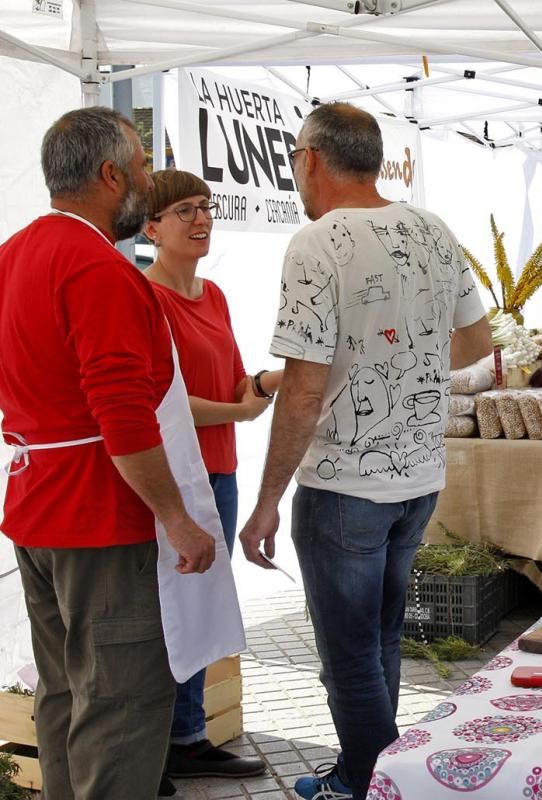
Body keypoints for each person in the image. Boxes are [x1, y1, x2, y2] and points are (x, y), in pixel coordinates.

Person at [237, 102, 491, 800]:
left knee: (349, 657)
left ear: (312, 159)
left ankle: (378, 787)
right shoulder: (433, 230)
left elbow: (302, 392)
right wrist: (403, 358)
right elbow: (476, 345)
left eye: (294, 157)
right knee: (378, 641)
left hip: (346, 486)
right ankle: (364, 777)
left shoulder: (316, 243)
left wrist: (265, 503)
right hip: (417, 478)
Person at [0, 107, 218, 799]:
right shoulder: (97, 267)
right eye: (144, 169)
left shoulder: (13, 253)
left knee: (66, 695)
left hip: (36, 502)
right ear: (108, 174)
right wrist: (178, 518)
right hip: (98, 514)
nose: (147, 184)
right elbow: (122, 415)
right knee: (119, 704)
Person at [142, 169, 282, 785]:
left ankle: (187, 734)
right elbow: (158, 400)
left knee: (202, 605)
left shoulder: (214, 294)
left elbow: (229, 383)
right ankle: (159, 740)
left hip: (218, 469)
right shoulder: (146, 300)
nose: (201, 220)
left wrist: (277, 379)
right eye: (183, 212)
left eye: (206, 207)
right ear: (150, 228)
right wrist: (242, 409)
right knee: (166, 608)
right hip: (173, 479)